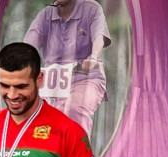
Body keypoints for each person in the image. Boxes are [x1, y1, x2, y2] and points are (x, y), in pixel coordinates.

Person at [24, 0, 111, 141]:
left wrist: (94, 56)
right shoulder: (45, 15)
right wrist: (22, 62)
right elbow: (29, 45)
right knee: (38, 119)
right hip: (52, 82)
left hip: (84, 77)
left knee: (74, 109)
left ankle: (79, 153)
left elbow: (98, 37)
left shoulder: (91, 9)